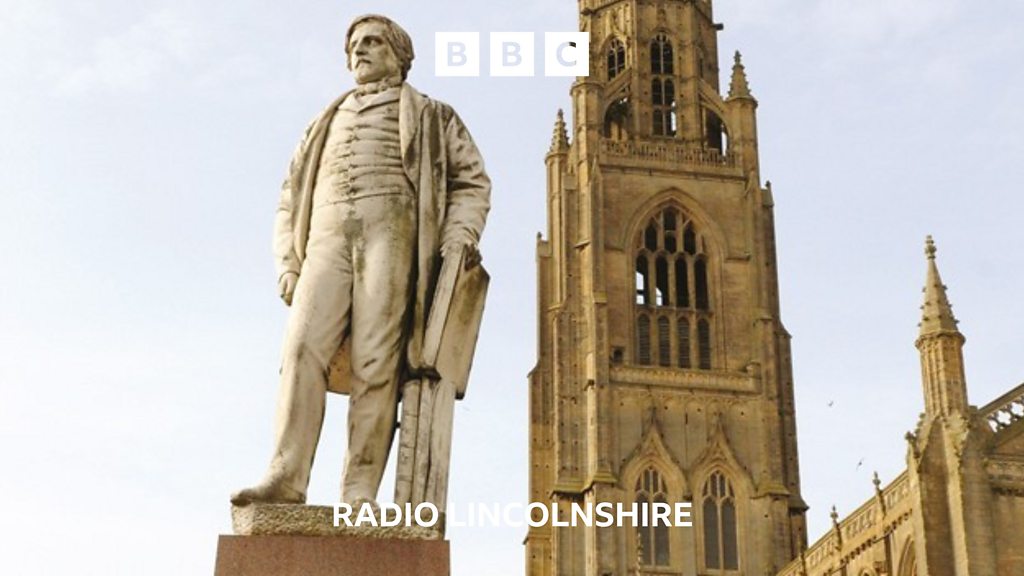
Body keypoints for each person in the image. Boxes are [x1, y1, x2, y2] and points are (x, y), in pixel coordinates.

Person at [232, 14, 490, 509]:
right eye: (354, 45)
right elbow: (289, 197)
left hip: (392, 233)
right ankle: (285, 475)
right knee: (301, 348)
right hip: (326, 236)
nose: (360, 51)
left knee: (377, 362)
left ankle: (359, 490)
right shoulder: (323, 122)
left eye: (372, 42)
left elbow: (471, 181)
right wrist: (287, 262)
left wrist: (459, 236)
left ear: (400, 55)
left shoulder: (433, 116)